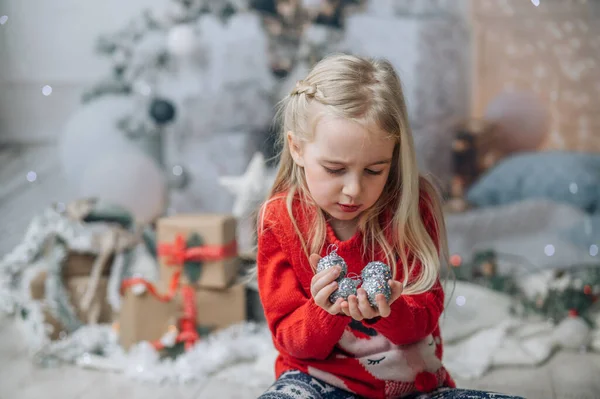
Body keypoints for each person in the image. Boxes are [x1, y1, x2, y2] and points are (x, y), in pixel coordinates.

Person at [255, 54, 524, 399]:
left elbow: (422, 321)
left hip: (412, 388)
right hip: (317, 383)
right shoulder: (281, 220)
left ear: (394, 156)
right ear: (297, 148)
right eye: (335, 169)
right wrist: (323, 312)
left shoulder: (410, 207)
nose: (353, 190)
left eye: (373, 170)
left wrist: (390, 309)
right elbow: (291, 340)